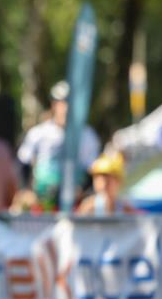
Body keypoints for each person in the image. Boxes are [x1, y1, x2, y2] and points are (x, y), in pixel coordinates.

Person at [17, 81, 101, 210]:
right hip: (42, 201)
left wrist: (84, 191)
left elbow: (94, 170)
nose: (67, 108)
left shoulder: (87, 135)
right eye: (63, 103)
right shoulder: (38, 133)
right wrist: (25, 190)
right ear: (54, 105)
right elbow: (23, 163)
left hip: (75, 203)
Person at [76, 151, 138, 216]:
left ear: (119, 182)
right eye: (99, 181)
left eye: (108, 181)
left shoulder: (126, 210)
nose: (103, 185)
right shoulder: (88, 207)